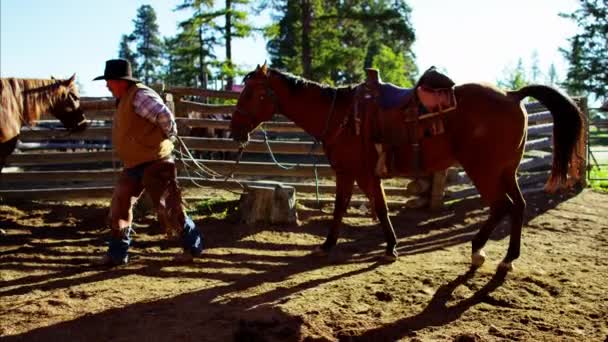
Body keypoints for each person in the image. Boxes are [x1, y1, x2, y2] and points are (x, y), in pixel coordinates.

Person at [93, 58, 203, 266]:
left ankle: (193, 246)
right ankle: (117, 254)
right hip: (134, 163)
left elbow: (165, 116)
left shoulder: (140, 96)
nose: (107, 85)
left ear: (121, 81)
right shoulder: (126, 97)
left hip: (155, 160)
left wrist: (169, 136)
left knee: (169, 207)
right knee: (119, 205)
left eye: (109, 81)